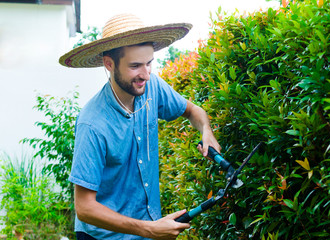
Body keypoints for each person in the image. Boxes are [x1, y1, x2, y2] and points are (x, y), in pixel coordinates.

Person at [59, 13, 221, 240]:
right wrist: (149, 229)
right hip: (103, 237)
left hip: (147, 230)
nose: (146, 74)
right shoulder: (92, 123)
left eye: (149, 63)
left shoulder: (151, 86)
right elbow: (85, 208)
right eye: (135, 66)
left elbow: (194, 112)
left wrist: (206, 131)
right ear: (109, 64)